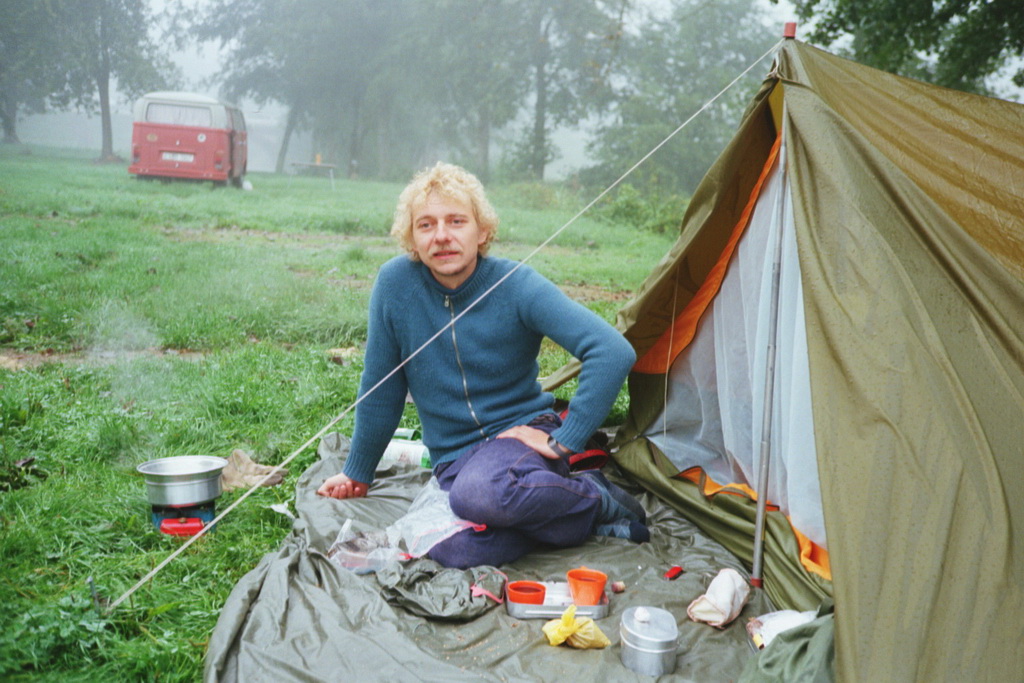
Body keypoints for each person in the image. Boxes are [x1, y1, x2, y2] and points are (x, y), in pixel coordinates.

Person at [317, 162, 647, 569]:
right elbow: (380, 388)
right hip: (456, 462)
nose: (442, 236)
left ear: (482, 231)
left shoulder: (516, 284)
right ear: (411, 239)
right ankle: (568, 514)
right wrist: (358, 472)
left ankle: (594, 498)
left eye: (457, 221)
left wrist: (565, 440)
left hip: (524, 441)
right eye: (426, 225)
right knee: (452, 549)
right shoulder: (395, 285)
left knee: (478, 496)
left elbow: (612, 351)